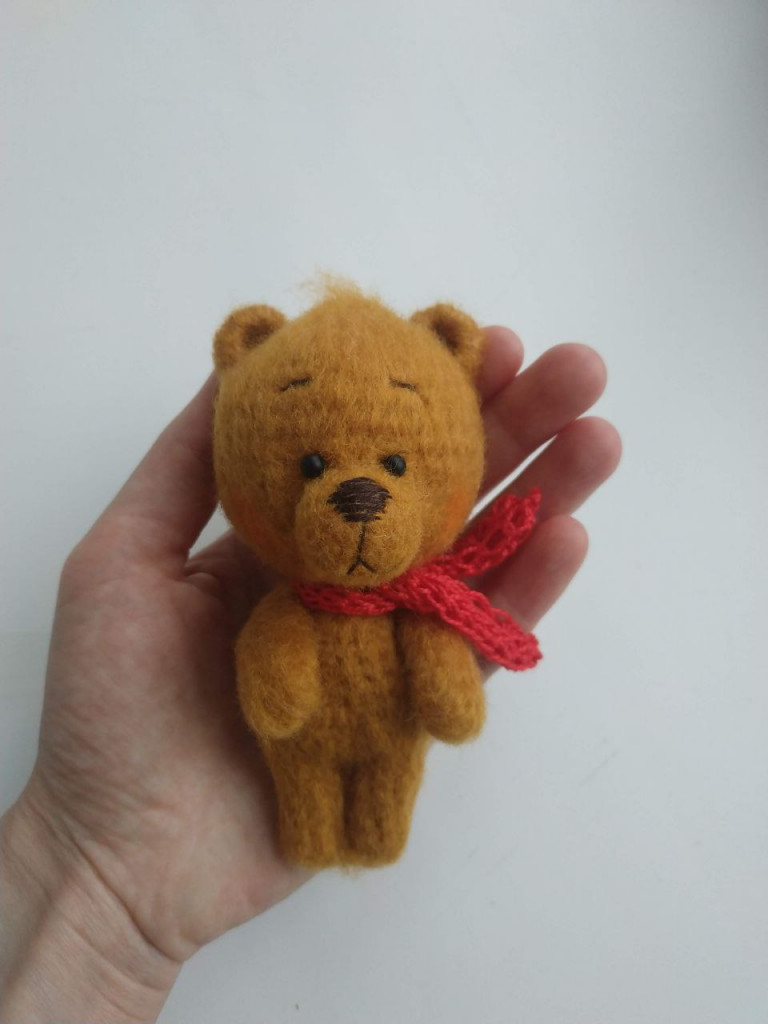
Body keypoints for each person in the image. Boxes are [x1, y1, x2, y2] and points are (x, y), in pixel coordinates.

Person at [0, 327, 620, 1022]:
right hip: (300, 749)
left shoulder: (418, 612)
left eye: (393, 463)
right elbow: (274, 666)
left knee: (390, 780)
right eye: (315, 465)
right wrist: (276, 685)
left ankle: (377, 823)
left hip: (391, 738)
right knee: (307, 793)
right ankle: (314, 824)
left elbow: (438, 664)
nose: (360, 495)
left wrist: (447, 691)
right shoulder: (287, 610)